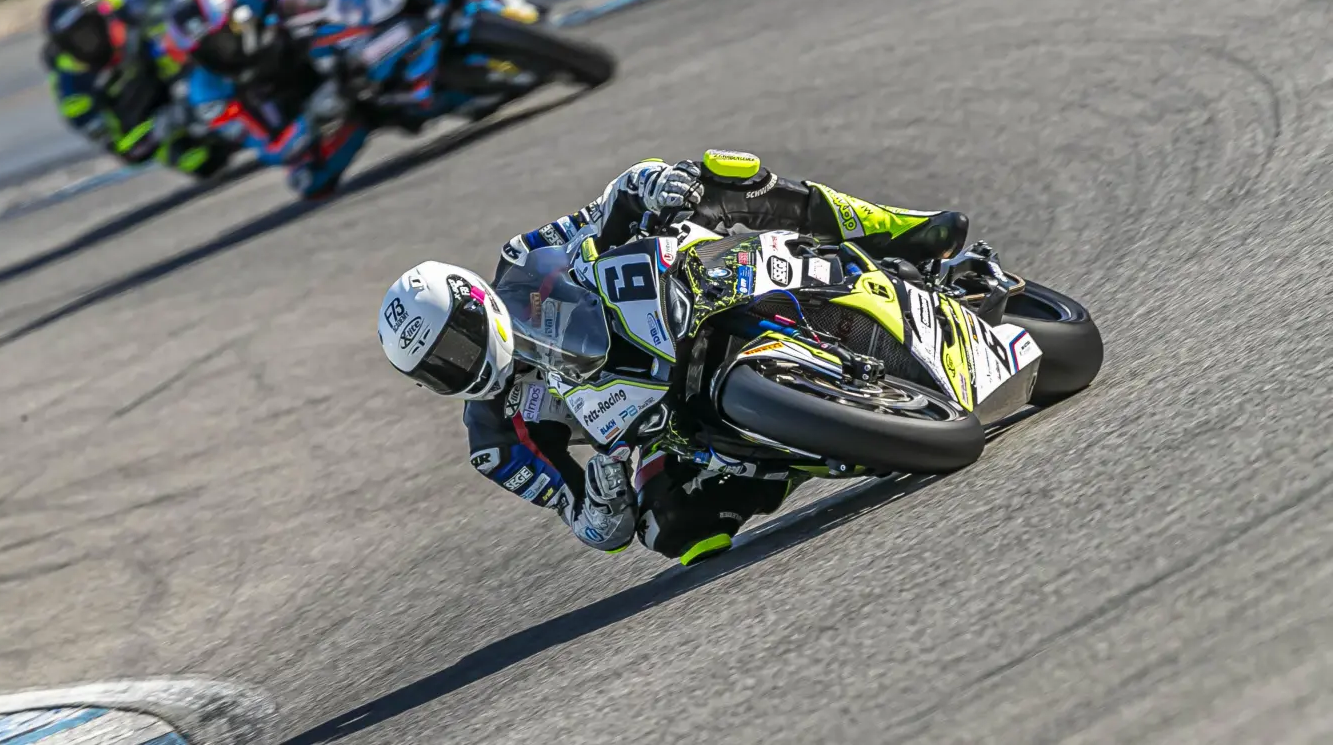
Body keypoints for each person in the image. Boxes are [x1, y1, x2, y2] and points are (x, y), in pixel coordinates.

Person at [376, 150, 970, 564]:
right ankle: (820, 440)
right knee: (670, 531)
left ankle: (893, 229)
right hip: (655, 424)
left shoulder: (524, 260)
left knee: (721, 175)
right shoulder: (494, 442)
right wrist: (605, 496)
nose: (459, 365)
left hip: (663, 312)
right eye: (438, 370)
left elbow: (611, 203)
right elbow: (590, 526)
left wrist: (657, 185)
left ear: (477, 302)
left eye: (455, 342)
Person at [160, 0, 459, 198]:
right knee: (308, 180)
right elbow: (272, 148)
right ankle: (417, 100)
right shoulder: (209, 95)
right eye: (208, 50)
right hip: (319, 102)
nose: (221, 53)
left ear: (235, 19)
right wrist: (318, 111)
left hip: (329, 46)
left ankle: (423, 16)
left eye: (221, 39)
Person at [42, 0, 234, 180]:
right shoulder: (72, 90)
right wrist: (163, 124)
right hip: (160, 119)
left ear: (100, 15)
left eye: (90, 28)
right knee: (199, 161)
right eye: (78, 39)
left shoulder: (117, 2)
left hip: (182, 70)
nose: (89, 41)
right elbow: (125, 149)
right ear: (65, 48)